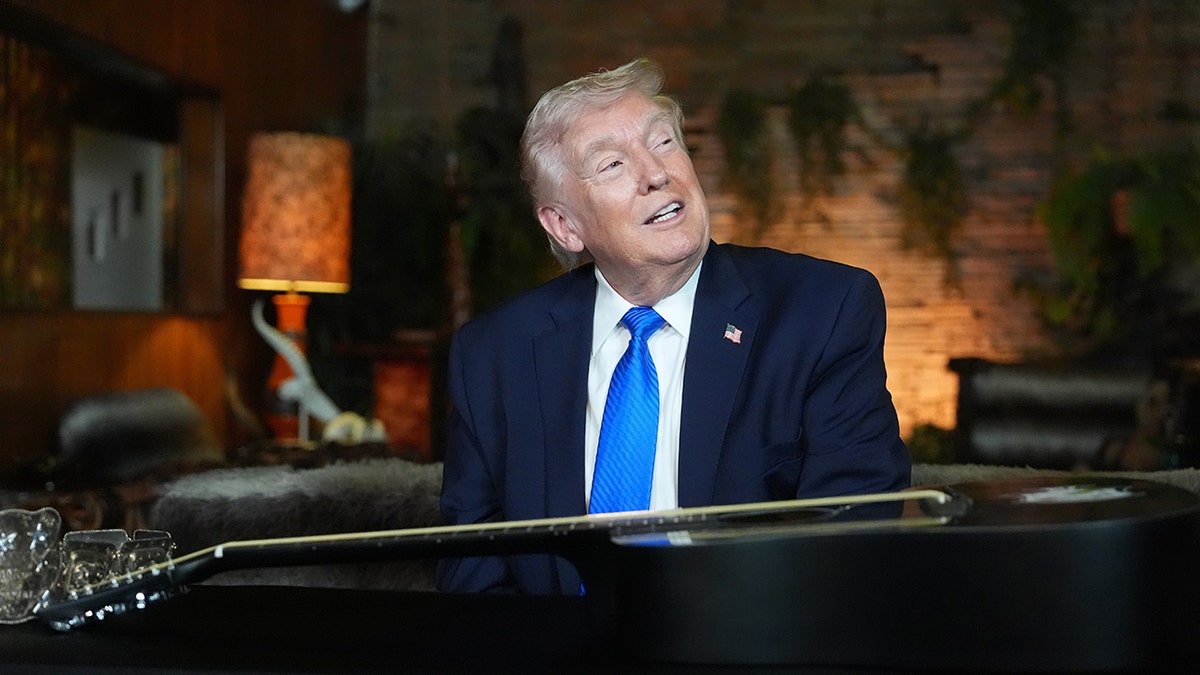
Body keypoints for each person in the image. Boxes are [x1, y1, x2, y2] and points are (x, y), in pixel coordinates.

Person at [437, 57, 910, 594]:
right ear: (565, 225)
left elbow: (849, 542)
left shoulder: (822, 311)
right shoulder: (496, 353)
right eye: (613, 164)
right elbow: (470, 562)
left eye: (663, 143)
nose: (657, 173)